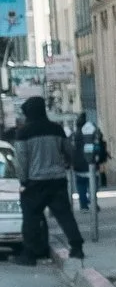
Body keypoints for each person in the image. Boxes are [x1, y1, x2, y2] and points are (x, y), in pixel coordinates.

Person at [11, 97, 82, 263]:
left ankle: (30, 254)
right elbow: (69, 151)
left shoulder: (23, 133)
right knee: (65, 215)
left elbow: (21, 160)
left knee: (31, 218)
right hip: (57, 180)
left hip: (34, 182)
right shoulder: (56, 129)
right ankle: (77, 247)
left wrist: (23, 181)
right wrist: (67, 164)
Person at [70, 112, 107, 212]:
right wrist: (101, 159)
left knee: (81, 186)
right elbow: (100, 147)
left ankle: (84, 205)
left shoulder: (73, 136)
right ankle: (93, 203)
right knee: (93, 185)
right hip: (92, 164)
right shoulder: (93, 133)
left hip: (78, 166)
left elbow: (70, 150)